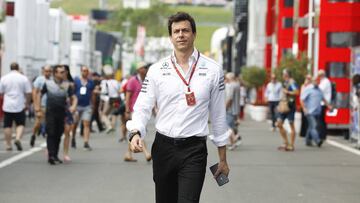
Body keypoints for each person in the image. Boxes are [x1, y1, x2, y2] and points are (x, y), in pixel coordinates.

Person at [126, 12, 230, 203]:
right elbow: (142, 105)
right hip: (163, 148)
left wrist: (222, 158)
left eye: (185, 30)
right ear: (171, 37)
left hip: (194, 150)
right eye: (176, 31)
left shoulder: (213, 70)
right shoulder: (157, 69)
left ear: (194, 34)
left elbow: (218, 115)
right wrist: (135, 132)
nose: (181, 34)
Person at [35, 65, 77, 165]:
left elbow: (74, 97)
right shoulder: (48, 84)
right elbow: (39, 94)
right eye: (61, 72)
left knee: (59, 134)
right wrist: (38, 108)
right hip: (50, 112)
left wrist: (73, 106)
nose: (63, 74)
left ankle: (55, 155)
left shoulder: (67, 85)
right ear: (55, 73)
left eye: (64, 72)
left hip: (62, 112)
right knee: (51, 133)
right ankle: (51, 155)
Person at [123, 61, 152, 162]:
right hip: (133, 109)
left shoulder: (148, 80)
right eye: (144, 67)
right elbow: (128, 95)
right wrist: (127, 110)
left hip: (144, 110)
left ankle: (128, 153)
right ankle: (146, 152)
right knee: (138, 130)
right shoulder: (132, 80)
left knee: (135, 131)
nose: (146, 69)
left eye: (146, 67)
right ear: (139, 70)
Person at [0, 62, 32, 151]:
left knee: (7, 125)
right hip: (20, 104)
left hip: (7, 105)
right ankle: (17, 138)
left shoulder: (4, 78)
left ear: (10, 68)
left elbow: (1, 92)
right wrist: (27, 103)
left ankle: (8, 145)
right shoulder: (23, 78)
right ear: (18, 68)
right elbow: (29, 92)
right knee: (20, 124)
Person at [300, 77, 331, 147]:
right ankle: (317, 140)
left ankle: (307, 141)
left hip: (317, 112)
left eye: (317, 81)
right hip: (309, 112)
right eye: (315, 81)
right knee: (314, 126)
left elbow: (323, 99)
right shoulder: (308, 89)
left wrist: (329, 106)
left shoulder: (319, 90)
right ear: (312, 81)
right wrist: (304, 108)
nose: (316, 82)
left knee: (311, 127)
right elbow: (301, 99)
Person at [73, 65, 95, 151]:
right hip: (77, 106)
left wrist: (93, 104)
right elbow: (73, 93)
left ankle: (86, 142)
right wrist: (72, 105)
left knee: (86, 124)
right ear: (81, 71)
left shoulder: (90, 82)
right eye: (83, 71)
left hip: (87, 106)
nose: (85, 72)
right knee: (75, 124)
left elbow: (92, 94)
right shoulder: (77, 81)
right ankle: (73, 138)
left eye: (86, 71)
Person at [276, 69, 299, 152]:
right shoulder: (284, 82)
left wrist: (287, 92)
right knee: (279, 123)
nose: (282, 76)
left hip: (290, 106)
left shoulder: (292, 82)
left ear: (286, 75)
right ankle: (286, 142)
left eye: (283, 74)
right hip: (283, 105)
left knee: (291, 124)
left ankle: (291, 145)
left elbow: (296, 92)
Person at [30, 65, 52, 147]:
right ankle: (33, 134)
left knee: (49, 123)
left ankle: (48, 140)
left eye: (49, 71)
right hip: (41, 105)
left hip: (50, 105)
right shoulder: (39, 80)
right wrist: (36, 106)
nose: (48, 73)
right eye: (46, 71)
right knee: (38, 123)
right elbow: (34, 92)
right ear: (43, 71)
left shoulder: (53, 81)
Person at [224, 72, 241, 150]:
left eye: (227, 78)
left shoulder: (231, 86)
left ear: (230, 78)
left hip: (230, 109)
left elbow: (229, 98)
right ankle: (234, 140)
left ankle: (234, 140)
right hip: (236, 108)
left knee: (227, 126)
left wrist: (225, 108)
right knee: (232, 126)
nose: (226, 80)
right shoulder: (237, 85)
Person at [317, 70, 332, 141]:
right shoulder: (323, 82)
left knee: (321, 120)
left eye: (319, 75)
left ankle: (322, 135)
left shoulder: (325, 82)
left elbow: (319, 90)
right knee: (321, 120)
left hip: (323, 103)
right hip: (322, 103)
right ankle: (322, 134)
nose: (318, 77)